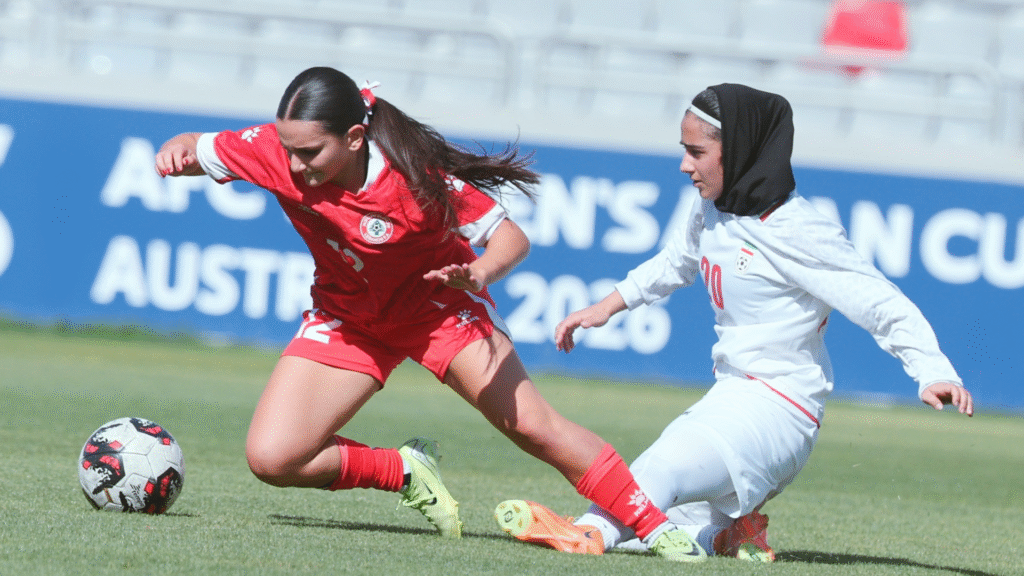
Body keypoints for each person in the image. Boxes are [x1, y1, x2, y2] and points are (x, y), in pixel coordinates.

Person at [154, 66, 705, 559]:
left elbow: (511, 238)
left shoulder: (414, 178)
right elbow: (200, 146)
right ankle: (404, 471)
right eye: (288, 149)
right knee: (273, 459)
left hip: (439, 311)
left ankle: (656, 528)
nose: (295, 165)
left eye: (310, 153)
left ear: (353, 137)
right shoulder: (274, 150)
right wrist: (175, 153)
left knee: (535, 429)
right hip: (349, 316)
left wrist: (481, 274)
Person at [493, 83, 973, 562]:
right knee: (661, 521)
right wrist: (606, 307)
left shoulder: (797, 228)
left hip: (779, 409)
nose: (685, 164)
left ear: (738, 149)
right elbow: (676, 261)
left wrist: (933, 369)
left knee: (661, 468)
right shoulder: (712, 208)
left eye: (697, 151)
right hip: (732, 394)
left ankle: (587, 531)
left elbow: (878, 301)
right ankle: (724, 536)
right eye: (684, 150)